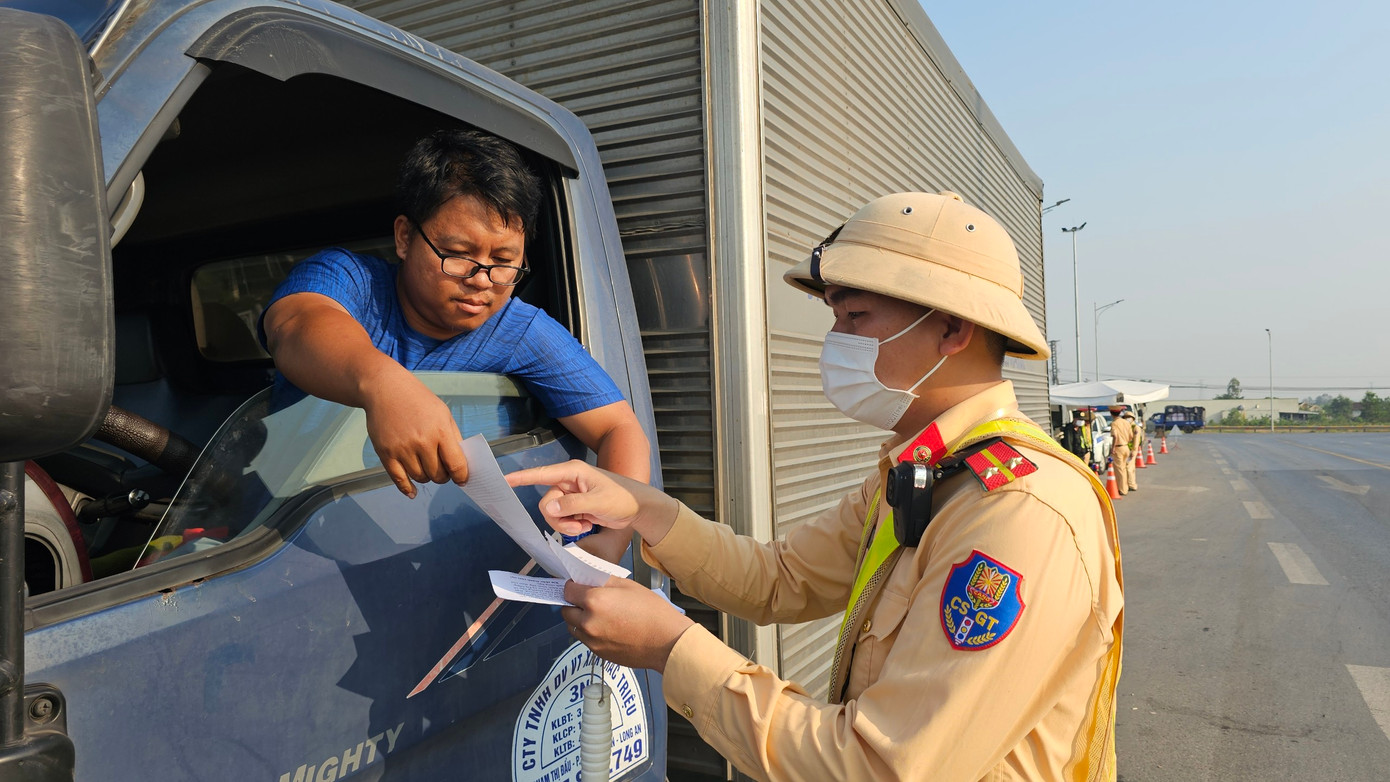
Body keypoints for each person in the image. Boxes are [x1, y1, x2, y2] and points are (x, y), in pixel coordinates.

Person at [508, 191, 1124, 781]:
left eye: (855, 315)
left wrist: (673, 649)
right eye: (836, 317)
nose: (837, 341)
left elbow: (879, 768)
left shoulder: (1017, 512)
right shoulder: (922, 473)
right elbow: (779, 579)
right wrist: (642, 507)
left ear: (953, 329)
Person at [261, 129, 650, 561]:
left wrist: (611, 538)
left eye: (503, 262)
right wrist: (383, 385)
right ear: (405, 237)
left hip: (438, 557)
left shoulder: (517, 329)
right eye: (459, 254)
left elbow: (619, 428)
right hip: (286, 546)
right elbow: (295, 325)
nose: (482, 280)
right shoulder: (352, 281)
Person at [1108, 406, 1134, 495]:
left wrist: (1113, 448)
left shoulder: (1114, 423)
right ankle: (1125, 486)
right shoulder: (1126, 423)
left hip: (1118, 447)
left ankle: (1122, 489)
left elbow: (1114, 436)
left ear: (1111, 413)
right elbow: (1131, 436)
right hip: (1126, 447)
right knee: (1124, 468)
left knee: (1119, 470)